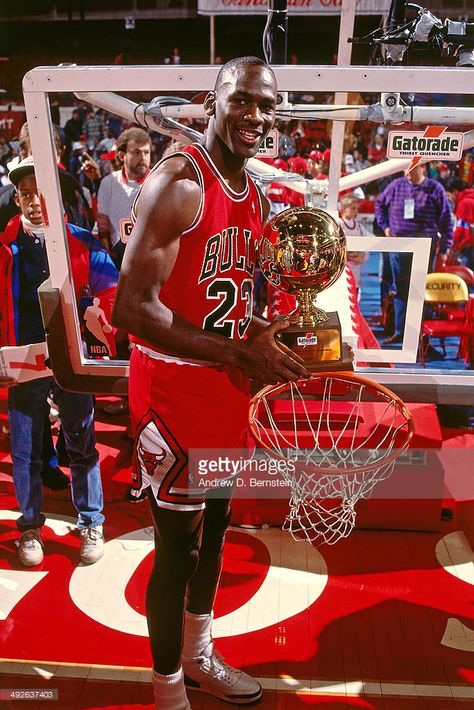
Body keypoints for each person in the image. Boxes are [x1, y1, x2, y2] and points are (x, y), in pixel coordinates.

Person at [112, 56, 309, 709]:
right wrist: (238, 351)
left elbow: (222, 294)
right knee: (179, 548)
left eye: (266, 106)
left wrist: (275, 332)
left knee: (218, 527)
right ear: (213, 101)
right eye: (243, 101)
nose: (255, 117)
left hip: (224, 387)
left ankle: (199, 656)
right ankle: (166, 688)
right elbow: (132, 308)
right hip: (172, 390)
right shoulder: (179, 182)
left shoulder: (251, 191)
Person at [0, 156, 119, 567]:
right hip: (24, 362)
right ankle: (29, 526)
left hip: (72, 359)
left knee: (81, 442)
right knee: (25, 448)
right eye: (26, 193)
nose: (34, 202)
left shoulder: (82, 241)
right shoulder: (4, 247)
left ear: (56, 196)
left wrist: (99, 311)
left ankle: (91, 520)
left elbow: (111, 290)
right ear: (16, 198)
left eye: (41, 193)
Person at [375, 163, 453, 344]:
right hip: (400, 245)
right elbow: (379, 204)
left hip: (425, 246)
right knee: (400, 290)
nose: (407, 172)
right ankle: (400, 332)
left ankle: (420, 337)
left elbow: (446, 220)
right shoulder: (396, 186)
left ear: (423, 168)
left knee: (420, 290)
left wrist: (445, 248)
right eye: (405, 169)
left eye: (411, 168)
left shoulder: (435, 189)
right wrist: (385, 226)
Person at [96, 126, 151, 268]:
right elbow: (103, 224)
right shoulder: (109, 183)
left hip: (150, 259)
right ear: (121, 156)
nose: (143, 158)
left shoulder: (159, 181)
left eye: (146, 152)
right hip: (118, 259)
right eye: (137, 152)